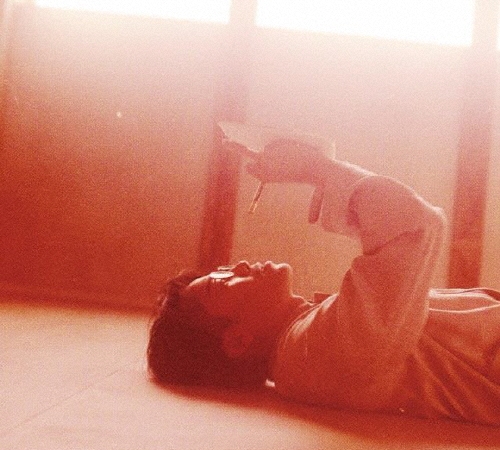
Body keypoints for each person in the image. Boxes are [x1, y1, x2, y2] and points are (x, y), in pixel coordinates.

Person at [147, 138, 500, 426]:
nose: (237, 265)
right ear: (237, 340)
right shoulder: (315, 354)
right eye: (221, 282)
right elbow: (412, 226)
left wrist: (325, 179)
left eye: (225, 268)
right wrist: (315, 169)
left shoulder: (309, 339)